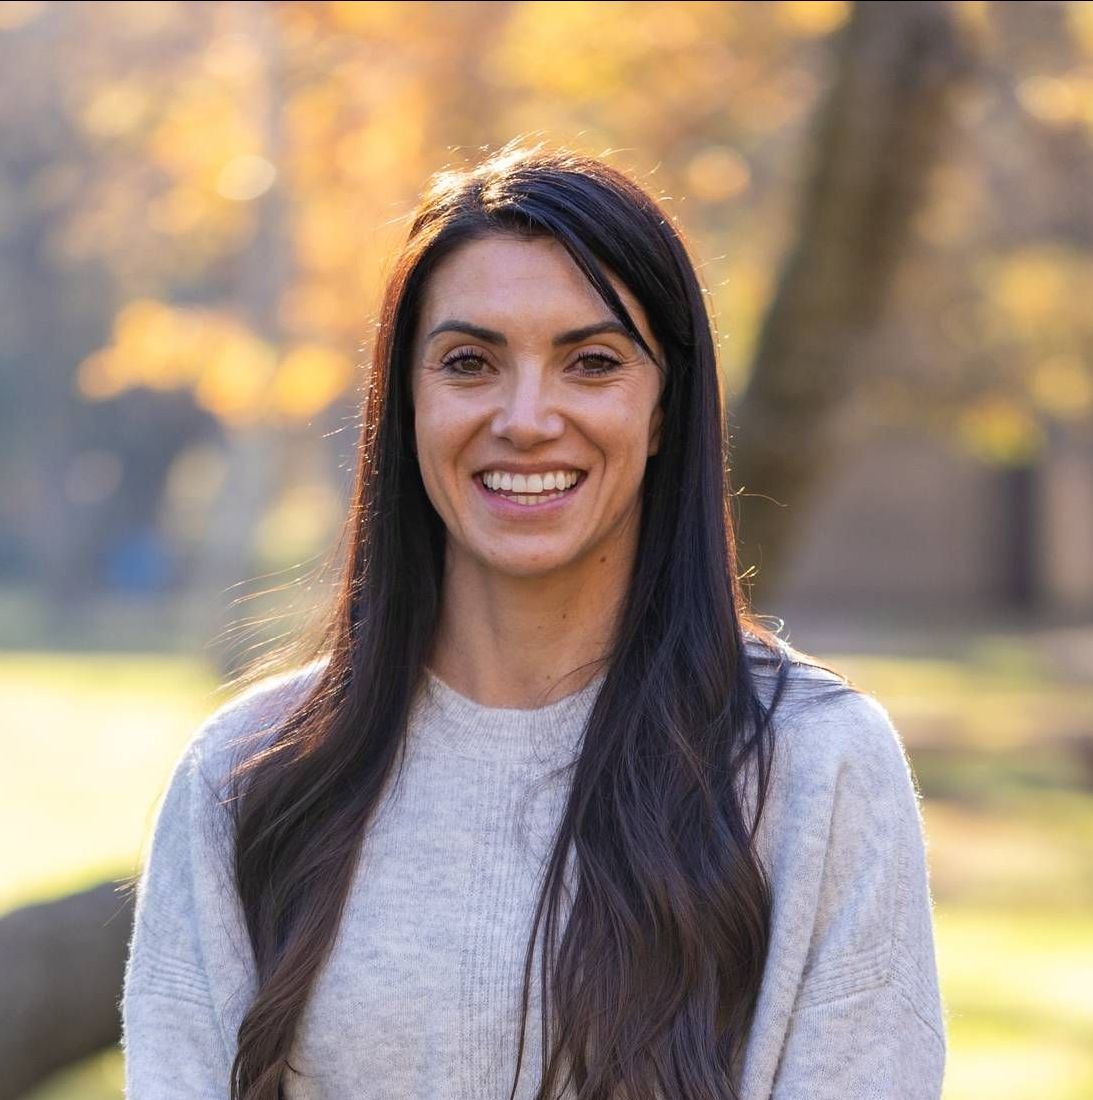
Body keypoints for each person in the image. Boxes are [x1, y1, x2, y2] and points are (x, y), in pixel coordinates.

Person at [120, 140, 946, 1099]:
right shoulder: (247, 778)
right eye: (469, 362)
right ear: (408, 404)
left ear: (665, 409)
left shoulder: (813, 766)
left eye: (591, 362)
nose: (524, 417)